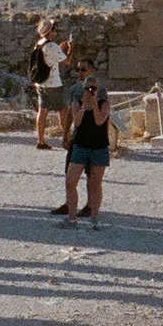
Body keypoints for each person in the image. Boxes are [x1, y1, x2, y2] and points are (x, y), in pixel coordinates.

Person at [59, 69, 115, 229]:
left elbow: (99, 121)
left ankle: (94, 218)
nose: (90, 91)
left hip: (98, 147)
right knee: (70, 182)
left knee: (95, 183)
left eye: (93, 88)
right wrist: (84, 107)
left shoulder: (104, 104)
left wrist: (95, 105)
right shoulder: (77, 102)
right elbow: (77, 123)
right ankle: (71, 218)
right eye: (87, 88)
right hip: (81, 145)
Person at [31, 18, 69, 150]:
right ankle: (66, 141)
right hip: (53, 84)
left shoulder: (39, 43)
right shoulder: (52, 46)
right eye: (54, 30)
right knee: (63, 111)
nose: (56, 32)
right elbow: (67, 61)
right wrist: (70, 49)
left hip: (41, 83)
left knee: (42, 112)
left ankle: (40, 140)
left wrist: (61, 49)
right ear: (50, 31)